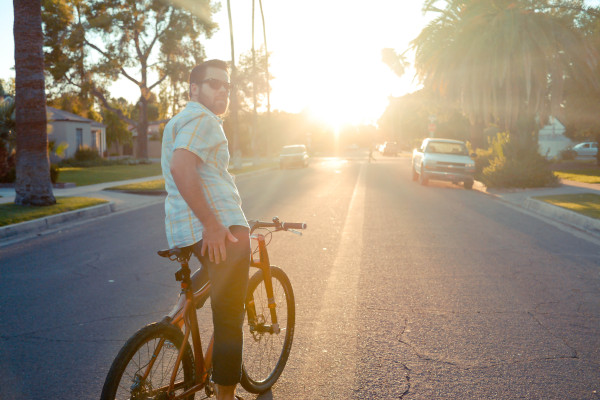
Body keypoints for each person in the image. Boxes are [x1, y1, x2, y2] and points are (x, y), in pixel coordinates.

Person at [161, 59, 250, 400]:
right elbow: (182, 166)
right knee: (229, 321)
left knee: (212, 277)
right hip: (220, 231)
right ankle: (225, 397)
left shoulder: (179, 121)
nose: (223, 90)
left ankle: (178, 315)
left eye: (227, 85)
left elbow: (197, 173)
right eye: (215, 83)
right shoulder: (202, 117)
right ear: (194, 89)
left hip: (186, 232)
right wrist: (213, 224)